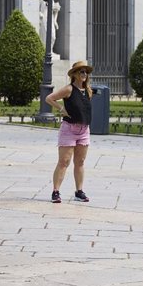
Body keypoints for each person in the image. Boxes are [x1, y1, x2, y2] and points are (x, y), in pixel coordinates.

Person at [45, 60, 94, 204]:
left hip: (84, 130)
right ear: (74, 74)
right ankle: (55, 191)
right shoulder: (69, 89)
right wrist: (61, 109)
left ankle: (79, 191)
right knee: (64, 162)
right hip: (69, 129)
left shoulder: (88, 90)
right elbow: (49, 98)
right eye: (81, 71)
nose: (84, 74)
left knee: (80, 162)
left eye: (86, 72)